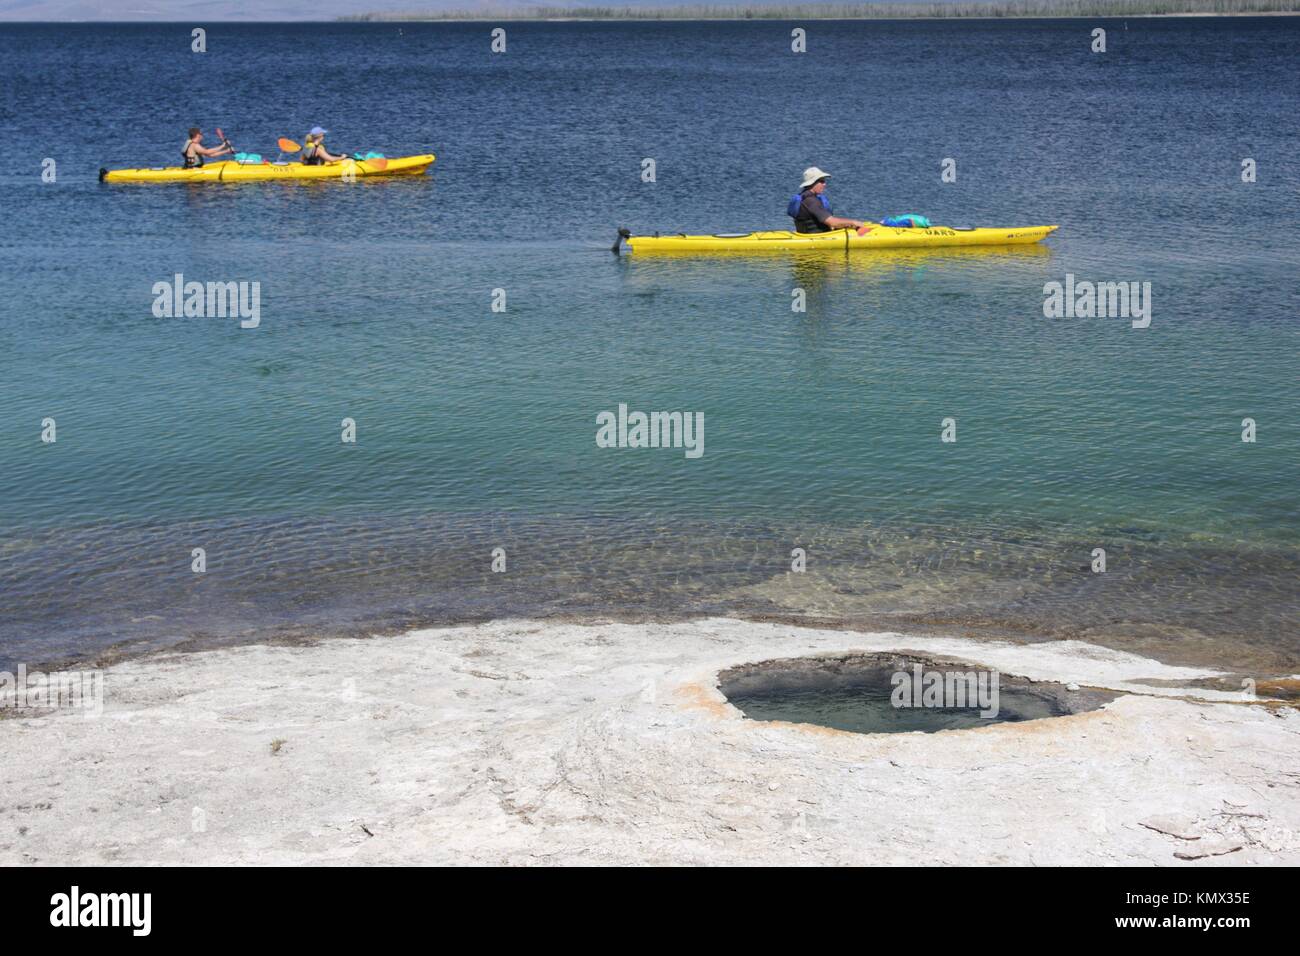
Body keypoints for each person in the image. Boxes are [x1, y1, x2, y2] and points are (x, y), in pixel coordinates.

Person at [788, 167, 870, 234]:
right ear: (812, 183)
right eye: (822, 181)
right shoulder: (811, 201)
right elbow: (832, 223)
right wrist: (853, 222)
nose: (825, 184)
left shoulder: (804, 197)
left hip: (808, 234)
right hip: (817, 238)